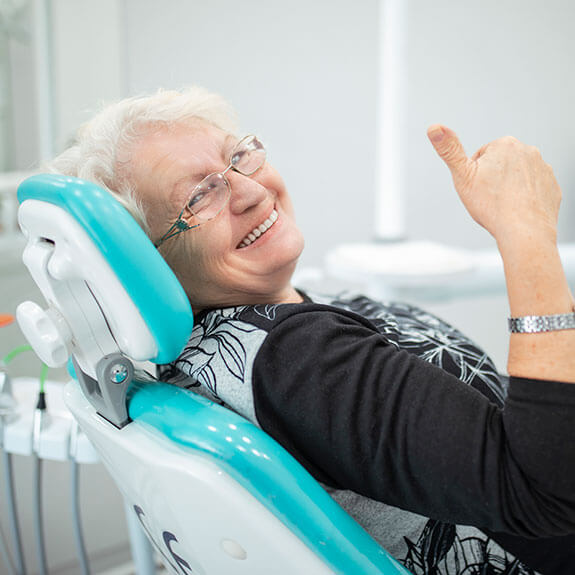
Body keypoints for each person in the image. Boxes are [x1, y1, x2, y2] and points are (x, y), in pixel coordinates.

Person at [48, 87, 575, 574]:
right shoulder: (299, 360)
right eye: (199, 196)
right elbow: (548, 489)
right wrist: (525, 230)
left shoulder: (217, 349)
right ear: (146, 263)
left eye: (238, 157)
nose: (252, 191)